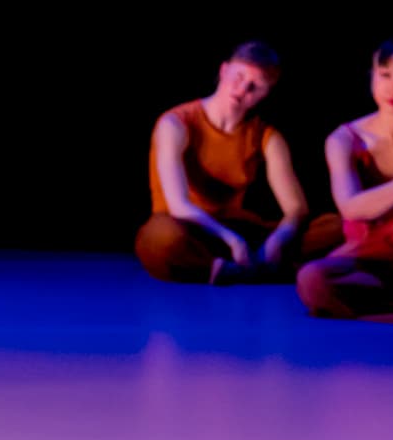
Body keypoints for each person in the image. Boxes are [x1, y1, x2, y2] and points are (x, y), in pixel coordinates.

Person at [134, 41, 344, 286]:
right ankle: (247, 271)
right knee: (160, 240)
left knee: (336, 227)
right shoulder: (176, 123)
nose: (243, 88)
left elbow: (296, 209)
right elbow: (178, 205)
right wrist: (231, 240)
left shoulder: (266, 136)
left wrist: (275, 241)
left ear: (267, 91)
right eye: (239, 76)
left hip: (234, 226)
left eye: (255, 86)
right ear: (223, 71)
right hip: (187, 227)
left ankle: (245, 268)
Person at [296, 41, 393, 328]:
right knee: (313, 281)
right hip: (373, 254)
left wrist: (377, 205)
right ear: (371, 76)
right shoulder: (345, 139)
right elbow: (351, 208)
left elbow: (364, 205)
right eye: (385, 75)